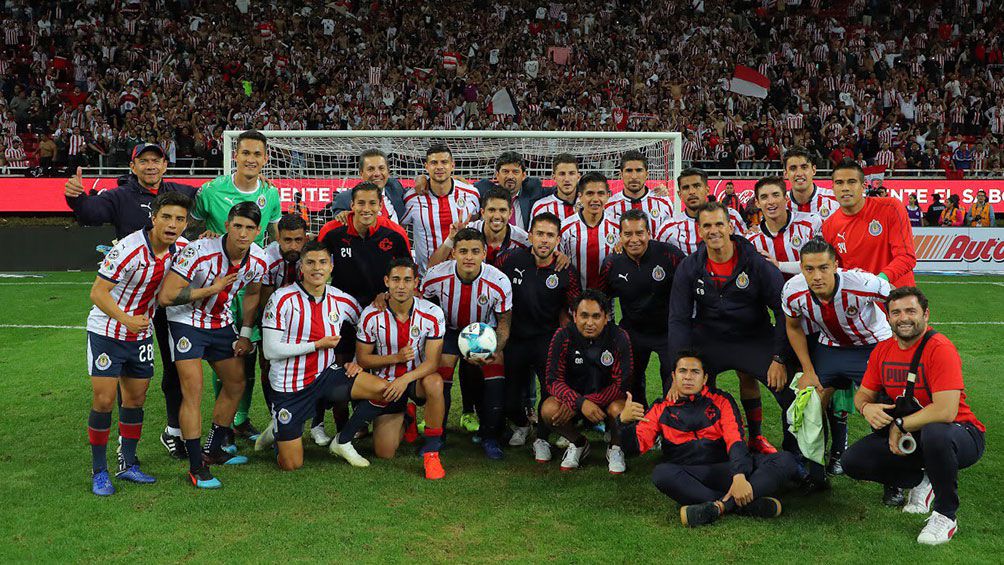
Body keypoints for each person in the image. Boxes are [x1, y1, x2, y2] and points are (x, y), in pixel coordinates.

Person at [63, 143, 199, 462]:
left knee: (175, 370)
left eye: (156, 160)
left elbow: (213, 203)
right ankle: (113, 459)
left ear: (166, 164)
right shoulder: (121, 199)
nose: (150, 166)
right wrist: (75, 197)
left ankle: (172, 433)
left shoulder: (180, 194)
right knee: (117, 391)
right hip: (125, 305)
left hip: (163, 304)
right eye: (143, 161)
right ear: (133, 166)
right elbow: (90, 214)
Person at [841, 287, 985, 545]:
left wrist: (900, 423)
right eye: (896, 312)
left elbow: (946, 410)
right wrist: (866, 408)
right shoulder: (882, 350)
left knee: (935, 431)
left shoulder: (940, 348)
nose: (903, 318)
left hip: (961, 433)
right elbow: (863, 394)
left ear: (926, 314)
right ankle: (924, 479)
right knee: (853, 460)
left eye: (911, 311)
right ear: (888, 318)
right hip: (913, 436)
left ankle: (945, 515)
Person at [84, 192, 192, 496]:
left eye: (180, 219)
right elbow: (98, 293)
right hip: (107, 330)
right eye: (167, 217)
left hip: (140, 335)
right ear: (154, 218)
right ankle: (99, 471)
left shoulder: (182, 250)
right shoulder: (130, 249)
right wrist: (126, 319)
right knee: (104, 401)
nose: (173, 224)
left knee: (135, 399)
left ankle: (128, 464)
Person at [667, 202, 794, 455]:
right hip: (710, 340)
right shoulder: (690, 267)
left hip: (753, 338)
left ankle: (795, 454)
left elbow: (784, 311)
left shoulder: (756, 264)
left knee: (791, 393)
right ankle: (699, 445)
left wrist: (779, 358)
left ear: (730, 226)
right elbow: (679, 319)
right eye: (707, 226)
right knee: (685, 390)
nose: (713, 231)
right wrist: (678, 369)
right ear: (699, 230)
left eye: (718, 224)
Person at [619, 350, 799, 527]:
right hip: (691, 475)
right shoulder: (660, 408)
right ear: (673, 377)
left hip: (726, 470)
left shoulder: (721, 400)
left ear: (705, 378)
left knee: (786, 460)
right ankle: (743, 504)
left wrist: (739, 476)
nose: (688, 377)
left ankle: (718, 507)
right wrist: (623, 422)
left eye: (695, 372)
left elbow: (735, 441)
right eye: (683, 371)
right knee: (661, 474)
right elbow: (634, 448)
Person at [157, 202, 267, 488]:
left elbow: (254, 291)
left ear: (257, 231)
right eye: (238, 226)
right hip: (186, 321)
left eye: (249, 228)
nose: (243, 233)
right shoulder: (197, 251)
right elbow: (166, 296)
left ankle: (214, 450)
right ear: (227, 225)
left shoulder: (259, 259)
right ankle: (196, 467)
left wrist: (245, 332)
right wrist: (211, 289)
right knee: (193, 390)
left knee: (236, 383)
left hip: (219, 323)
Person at [259, 241, 392, 471]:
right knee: (291, 464)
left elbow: (368, 326)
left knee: (385, 390)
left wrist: (357, 361)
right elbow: (270, 351)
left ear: (331, 266)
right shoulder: (282, 298)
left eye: (322, 262)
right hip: (290, 388)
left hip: (326, 377)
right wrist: (316, 345)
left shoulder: (341, 299)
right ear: (301, 267)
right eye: (310, 262)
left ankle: (343, 441)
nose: (316, 268)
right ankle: (278, 429)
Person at [189, 129, 283, 444]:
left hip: (253, 285)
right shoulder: (211, 190)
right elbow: (192, 223)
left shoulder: (271, 194)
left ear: (266, 158)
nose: (251, 159)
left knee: (249, 352)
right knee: (225, 358)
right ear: (236, 155)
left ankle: (240, 420)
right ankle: (223, 427)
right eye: (246, 153)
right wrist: (201, 236)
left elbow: (272, 237)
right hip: (219, 286)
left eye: (258, 154)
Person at [783, 238, 893, 481]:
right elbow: (793, 327)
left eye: (823, 267)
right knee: (810, 397)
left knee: (885, 401)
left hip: (871, 346)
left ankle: (892, 477)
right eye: (809, 269)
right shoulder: (792, 291)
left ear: (835, 266)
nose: (817, 276)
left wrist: (899, 345)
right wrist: (808, 369)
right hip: (831, 346)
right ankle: (816, 469)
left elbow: (897, 300)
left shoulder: (861, 283)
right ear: (801, 268)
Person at [420, 228, 513, 459]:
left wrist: (494, 349)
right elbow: (426, 313)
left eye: (474, 251)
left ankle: (489, 436)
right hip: (449, 331)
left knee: (495, 368)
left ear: (484, 253)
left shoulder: (499, 281)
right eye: (463, 251)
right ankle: (437, 435)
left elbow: (503, 326)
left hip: (484, 333)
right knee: (441, 374)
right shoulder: (435, 276)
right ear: (453, 254)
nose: (469, 257)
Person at [354, 258, 449, 479]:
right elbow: (363, 359)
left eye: (407, 280)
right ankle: (407, 417)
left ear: (416, 282)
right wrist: (394, 358)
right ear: (386, 281)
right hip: (385, 385)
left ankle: (432, 451)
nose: (401, 286)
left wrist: (405, 379)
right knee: (384, 452)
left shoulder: (432, 313)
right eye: (396, 279)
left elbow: (433, 362)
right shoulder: (370, 315)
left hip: (416, 381)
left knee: (435, 381)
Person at [497, 213, 580, 459]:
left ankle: (542, 437)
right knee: (510, 397)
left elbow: (575, 306)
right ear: (530, 235)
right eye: (540, 234)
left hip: (548, 340)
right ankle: (522, 424)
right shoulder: (510, 260)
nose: (544, 240)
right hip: (515, 339)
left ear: (558, 239)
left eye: (550, 235)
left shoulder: (566, 269)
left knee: (550, 393)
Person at [599, 209, 685, 408]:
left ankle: (670, 422)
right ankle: (640, 422)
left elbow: (690, 283)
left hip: (668, 332)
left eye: (639, 233)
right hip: (633, 332)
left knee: (672, 378)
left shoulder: (669, 255)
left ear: (649, 233)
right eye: (628, 234)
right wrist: (610, 329)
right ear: (620, 236)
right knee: (632, 380)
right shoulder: (612, 263)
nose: (634, 239)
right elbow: (602, 299)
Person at [541, 289, 630, 474]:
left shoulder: (618, 336)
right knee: (549, 409)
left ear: (606, 317)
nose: (589, 323)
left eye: (596, 316)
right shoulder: (562, 336)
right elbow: (552, 380)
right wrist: (579, 402)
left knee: (621, 410)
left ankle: (615, 447)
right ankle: (578, 442)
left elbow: (622, 384)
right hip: (574, 404)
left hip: (606, 404)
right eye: (584, 316)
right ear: (574, 316)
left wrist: (590, 402)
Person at [822, 161, 917, 288]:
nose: (845, 187)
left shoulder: (890, 208)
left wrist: (880, 282)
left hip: (898, 298)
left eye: (852, 181)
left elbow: (906, 257)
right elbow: (837, 270)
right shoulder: (829, 226)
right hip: (862, 303)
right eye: (839, 183)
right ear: (833, 188)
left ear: (863, 186)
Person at [257, 214, 308, 437]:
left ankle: (314, 423)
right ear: (278, 237)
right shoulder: (267, 258)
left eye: (298, 240)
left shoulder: (311, 254)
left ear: (305, 238)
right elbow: (264, 300)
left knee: (310, 368)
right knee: (269, 367)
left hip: (304, 317)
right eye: (287, 240)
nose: (293, 245)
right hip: (271, 319)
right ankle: (275, 416)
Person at [402, 144, 480, 274]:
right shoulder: (412, 198)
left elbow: (476, 218)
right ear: (426, 166)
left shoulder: (471, 194)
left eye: (444, 162)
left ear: (452, 165)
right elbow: (398, 230)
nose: (439, 167)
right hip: (427, 278)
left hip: (465, 276)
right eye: (434, 163)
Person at [429, 188, 529, 268]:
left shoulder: (523, 240)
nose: (497, 216)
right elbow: (432, 267)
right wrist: (451, 239)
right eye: (492, 210)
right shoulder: (466, 232)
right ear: (482, 213)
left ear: (510, 213)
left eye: (502, 210)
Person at [656, 168, 746, 255]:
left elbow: (746, 249)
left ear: (707, 190)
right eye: (686, 188)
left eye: (697, 186)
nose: (692, 192)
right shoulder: (668, 229)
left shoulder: (732, 217)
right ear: (680, 195)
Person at [746, 177, 822, 278]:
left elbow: (818, 263)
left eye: (775, 195)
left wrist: (779, 265)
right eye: (764, 197)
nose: (770, 201)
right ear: (757, 203)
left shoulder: (810, 224)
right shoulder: (752, 241)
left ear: (786, 198)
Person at [559, 172, 621, 290]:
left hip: (607, 302)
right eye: (590, 193)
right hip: (575, 301)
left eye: (601, 193)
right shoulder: (565, 229)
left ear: (608, 196)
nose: (595, 199)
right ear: (580, 196)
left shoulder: (618, 228)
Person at [473, 151, 552, 230]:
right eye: (505, 172)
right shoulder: (483, 190)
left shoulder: (533, 190)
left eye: (515, 172)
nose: (510, 176)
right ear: (497, 175)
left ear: (523, 176)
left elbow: (559, 191)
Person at [326, 148, 407, 222]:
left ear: (388, 171)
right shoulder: (345, 199)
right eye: (370, 169)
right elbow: (338, 223)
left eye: (381, 168)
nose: (377, 174)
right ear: (361, 173)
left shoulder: (395, 188)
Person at [604, 150, 674, 234]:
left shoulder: (663, 203)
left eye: (639, 170)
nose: (634, 176)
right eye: (629, 171)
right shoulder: (609, 207)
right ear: (621, 174)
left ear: (646, 174)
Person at [782, 147, 838, 219]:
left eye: (804, 167)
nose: (799, 173)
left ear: (813, 170)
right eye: (793, 168)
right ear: (786, 174)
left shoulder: (835, 200)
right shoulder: (780, 204)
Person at [530, 153, 580, 222]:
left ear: (578, 177)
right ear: (554, 178)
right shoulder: (542, 208)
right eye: (562, 174)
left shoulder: (588, 204)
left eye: (571, 173)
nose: (567, 179)